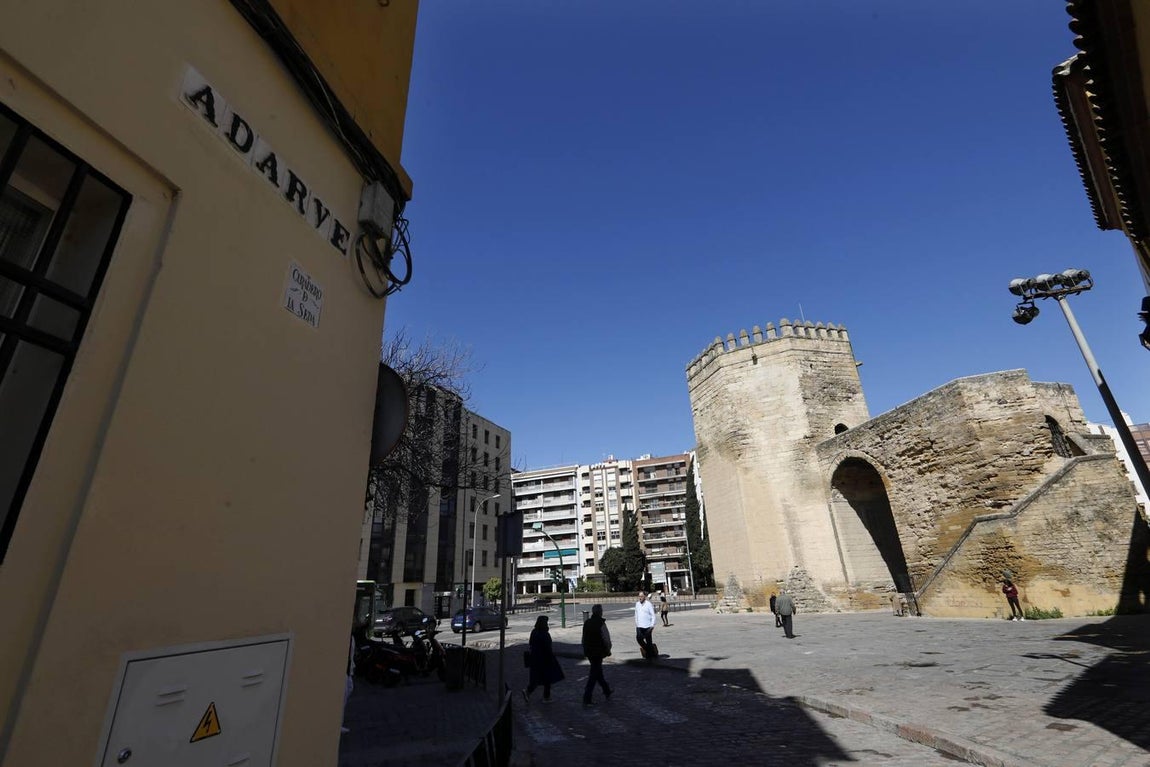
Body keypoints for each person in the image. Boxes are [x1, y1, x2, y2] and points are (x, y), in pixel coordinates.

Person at [522, 615, 564, 702]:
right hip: (544, 659)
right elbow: (548, 647)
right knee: (546, 679)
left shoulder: (534, 631)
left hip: (535, 659)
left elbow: (531, 643)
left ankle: (529, 691)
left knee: (537, 678)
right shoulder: (544, 633)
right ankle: (545, 697)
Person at [581, 604, 613, 706]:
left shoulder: (587, 623)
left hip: (589, 652)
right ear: (600, 612)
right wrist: (608, 650)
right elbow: (606, 638)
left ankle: (607, 690)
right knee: (593, 675)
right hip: (598, 652)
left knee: (597, 672)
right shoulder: (601, 623)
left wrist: (585, 649)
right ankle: (587, 697)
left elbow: (583, 638)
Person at [634, 591, 658, 659]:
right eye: (639, 596)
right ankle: (649, 650)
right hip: (639, 625)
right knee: (639, 638)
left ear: (645, 597)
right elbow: (636, 614)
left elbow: (653, 615)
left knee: (649, 641)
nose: (640, 598)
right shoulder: (637, 604)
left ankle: (650, 654)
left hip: (648, 626)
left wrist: (652, 625)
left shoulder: (648, 604)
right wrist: (636, 623)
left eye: (641, 596)